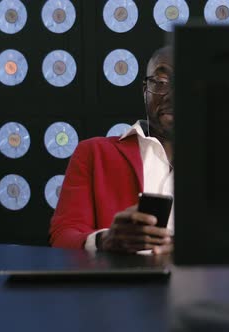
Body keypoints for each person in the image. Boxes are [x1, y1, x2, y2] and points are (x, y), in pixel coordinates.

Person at [49, 46, 175, 255]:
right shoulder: (93, 153)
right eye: (161, 83)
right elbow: (62, 237)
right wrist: (105, 239)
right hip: (118, 286)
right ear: (145, 91)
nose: (172, 95)